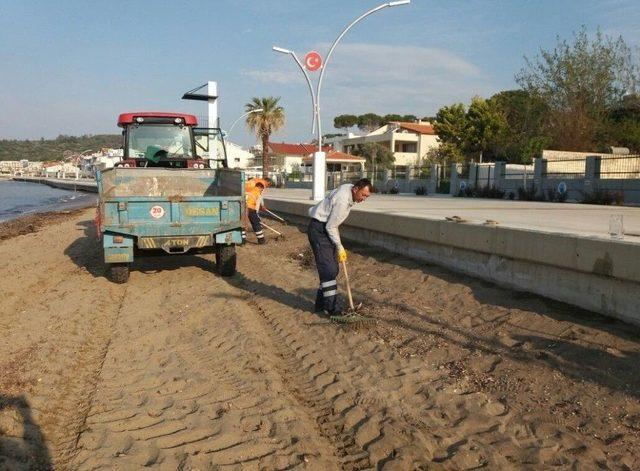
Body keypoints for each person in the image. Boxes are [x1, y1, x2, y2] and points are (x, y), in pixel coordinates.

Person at [307, 178, 373, 315]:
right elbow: (331, 226)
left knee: (333, 270)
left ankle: (320, 305)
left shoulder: (349, 188)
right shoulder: (343, 201)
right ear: (355, 189)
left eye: (367, 196)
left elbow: (332, 226)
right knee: (329, 270)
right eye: (363, 195)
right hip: (320, 230)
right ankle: (330, 309)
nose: (364, 199)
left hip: (325, 228)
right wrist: (340, 246)